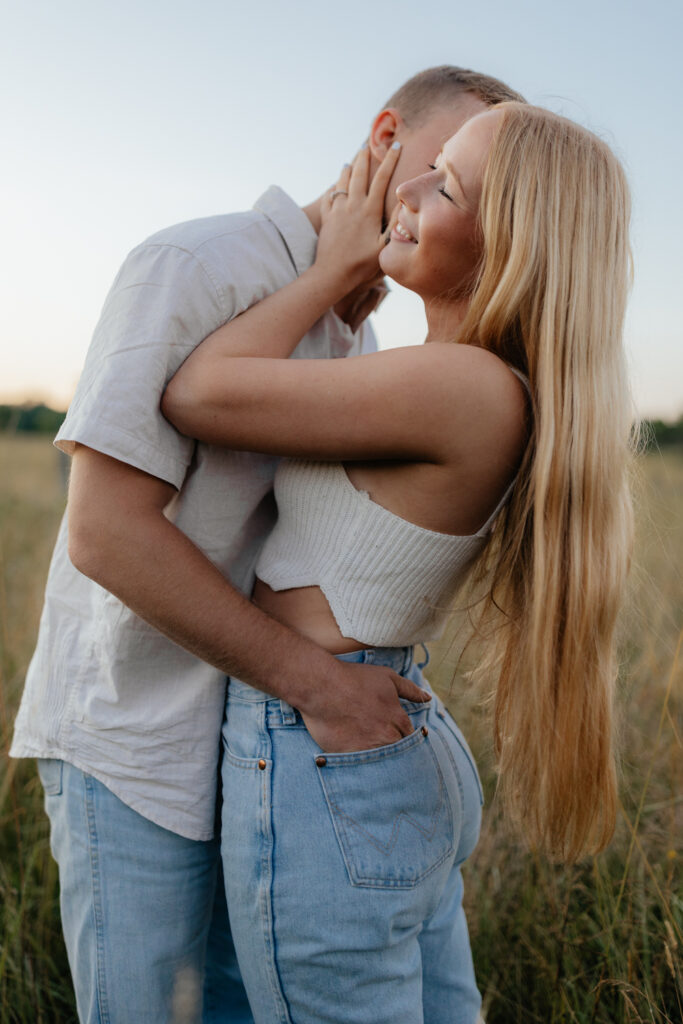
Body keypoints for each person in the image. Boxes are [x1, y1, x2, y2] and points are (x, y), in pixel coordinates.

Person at [9, 67, 524, 1024]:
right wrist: (320, 683)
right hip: (141, 742)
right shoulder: (198, 265)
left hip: (272, 754)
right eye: (439, 166)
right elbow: (104, 533)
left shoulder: (358, 336)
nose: (424, 198)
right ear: (383, 139)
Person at [162, 101, 634, 1023]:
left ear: (511, 248)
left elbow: (196, 392)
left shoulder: (456, 387)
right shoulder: (467, 379)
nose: (406, 187)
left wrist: (329, 268)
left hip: (323, 744)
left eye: (445, 183)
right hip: (374, 743)